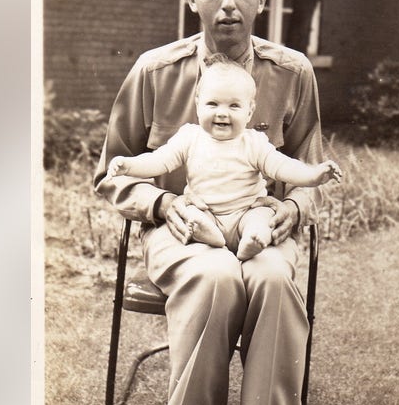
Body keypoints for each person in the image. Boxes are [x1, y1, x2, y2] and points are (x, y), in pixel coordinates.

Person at [94, 0, 326, 405]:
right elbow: (112, 171)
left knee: (271, 280)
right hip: (184, 230)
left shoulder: (292, 73)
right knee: (218, 275)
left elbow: (309, 173)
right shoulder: (155, 72)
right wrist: (159, 200)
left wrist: (288, 213)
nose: (228, 3)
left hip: (261, 229)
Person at [106, 56, 342, 261]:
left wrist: (315, 175)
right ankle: (208, 234)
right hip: (206, 211)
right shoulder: (190, 137)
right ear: (198, 105)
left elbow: (284, 167)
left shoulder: (254, 143)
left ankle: (253, 239)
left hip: (245, 211)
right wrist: (129, 165)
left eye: (234, 106)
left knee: (262, 216)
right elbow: (159, 161)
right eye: (212, 103)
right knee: (191, 212)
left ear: (249, 111)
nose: (222, 112)